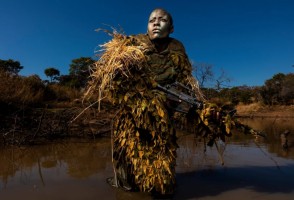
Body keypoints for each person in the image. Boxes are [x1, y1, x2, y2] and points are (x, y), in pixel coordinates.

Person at [104, 8, 200, 196]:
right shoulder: (133, 43)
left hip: (164, 109)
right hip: (134, 110)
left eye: (162, 20)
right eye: (151, 20)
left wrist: (178, 101)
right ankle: (125, 183)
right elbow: (116, 78)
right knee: (127, 150)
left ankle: (161, 187)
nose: (156, 23)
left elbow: (183, 79)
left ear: (171, 28)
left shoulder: (177, 48)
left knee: (162, 152)